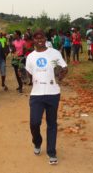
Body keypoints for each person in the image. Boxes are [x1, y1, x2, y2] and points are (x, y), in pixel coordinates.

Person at [25, 29, 68, 165]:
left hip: (53, 93)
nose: (40, 40)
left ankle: (51, 152)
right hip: (36, 94)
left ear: (45, 38)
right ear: (33, 40)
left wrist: (61, 75)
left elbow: (64, 67)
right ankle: (37, 142)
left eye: (42, 37)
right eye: (37, 38)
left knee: (52, 123)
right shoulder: (30, 56)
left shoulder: (54, 53)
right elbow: (30, 73)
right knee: (34, 122)